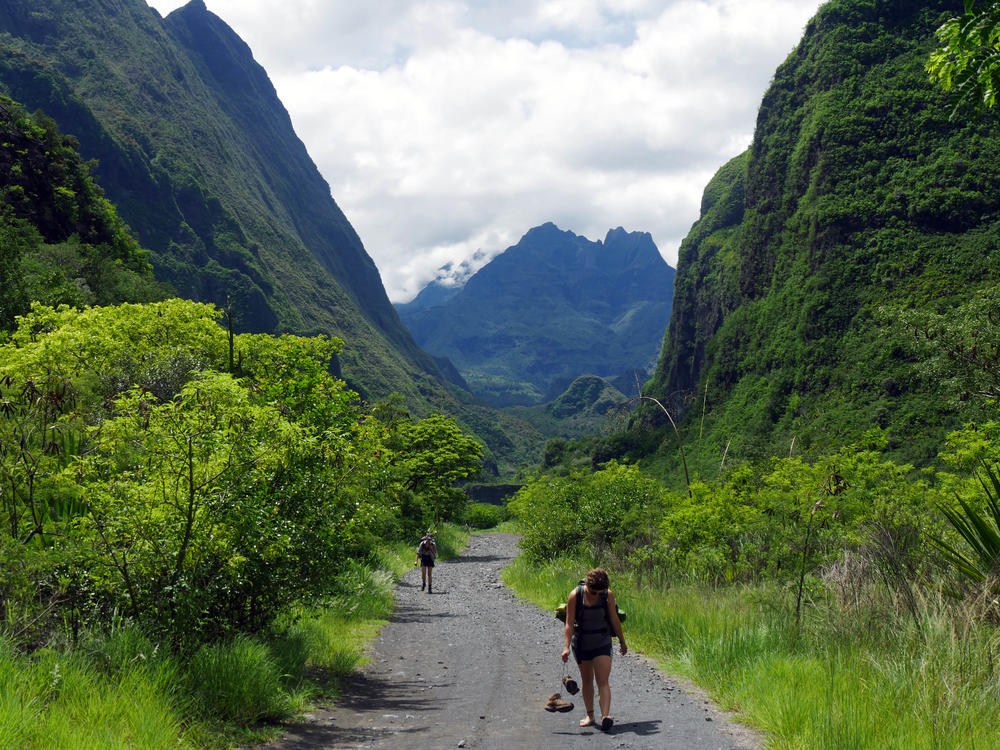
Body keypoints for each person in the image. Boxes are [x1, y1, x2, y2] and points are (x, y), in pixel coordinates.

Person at [560, 567, 627, 731]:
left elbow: (614, 619)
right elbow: (569, 624)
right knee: (587, 680)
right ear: (587, 585)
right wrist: (566, 647)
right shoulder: (575, 595)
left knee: (603, 680)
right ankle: (590, 715)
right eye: (593, 591)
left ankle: (605, 716)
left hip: (602, 641)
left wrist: (622, 641)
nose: (596, 594)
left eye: (599, 592)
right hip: (582, 643)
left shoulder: (607, 595)